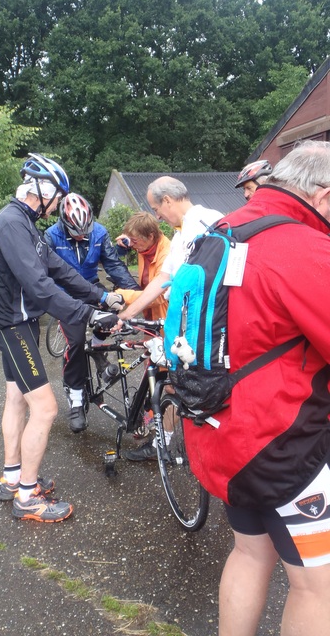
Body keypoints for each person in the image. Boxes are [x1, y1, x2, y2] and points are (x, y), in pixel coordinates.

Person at [185, 140, 330, 635]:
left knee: (249, 554)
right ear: (324, 196)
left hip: (220, 430)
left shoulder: (222, 231)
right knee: (318, 586)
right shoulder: (305, 248)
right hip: (283, 446)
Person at [0, 154, 121, 523]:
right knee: (46, 408)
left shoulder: (24, 223)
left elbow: (58, 270)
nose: (58, 203)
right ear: (41, 190)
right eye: (57, 195)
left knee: (16, 398)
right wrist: (89, 314)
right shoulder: (12, 224)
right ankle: (27, 498)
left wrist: (101, 296)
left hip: (15, 321)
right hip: (12, 323)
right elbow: (40, 286)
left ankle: (13, 478)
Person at [118, 176, 223, 461]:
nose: (157, 216)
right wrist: (126, 314)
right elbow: (162, 280)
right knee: (181, 385)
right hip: (193, 327)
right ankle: (162, 444)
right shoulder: (180, 235)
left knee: (204, 388)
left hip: (210, 327)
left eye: (156, 208)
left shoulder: (209, 223)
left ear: (167, 200)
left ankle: (203, 449)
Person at [44, 192, 140, 432]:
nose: (82, 235)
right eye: (76, 231)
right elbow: (44, 275)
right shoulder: (50, 236)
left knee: (112, 318)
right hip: (64, 292)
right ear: (63, 224)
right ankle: (76, 399)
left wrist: (135, 295)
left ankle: (97, 348)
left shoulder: (99, 232)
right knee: (75, 342)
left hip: (90, 286)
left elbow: (114, 265)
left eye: (86, 229)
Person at [114, 211, 171, 321]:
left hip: (164, 316)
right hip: (147, 311)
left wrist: (121, 295)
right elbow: (111, 259)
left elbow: (158, 296)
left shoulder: (167, 254)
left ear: (150, 236)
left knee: (160, 338)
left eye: (134, 241)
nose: (131, 245)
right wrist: (121, 248)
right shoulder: (144, 245)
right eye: (130, 240)